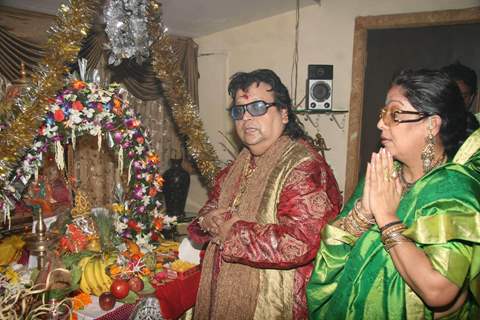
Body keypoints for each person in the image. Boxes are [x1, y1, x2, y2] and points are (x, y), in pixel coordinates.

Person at [306, 69, 480, 319]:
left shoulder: (453, 189)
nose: (380, 123)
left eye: (394, 114)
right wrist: (362, 215)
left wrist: (387, 217)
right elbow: (333, 250)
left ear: (431, 125)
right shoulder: (384, 174)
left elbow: (438, 290)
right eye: (383, 113)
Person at [188, 69, 342, 320]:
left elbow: (301, 241)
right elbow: (211, 206)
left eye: (258, 107)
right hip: (223, 288)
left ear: (283, 114)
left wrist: (234, 233)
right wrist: (208, 220)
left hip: (273, 300)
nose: (246, 117)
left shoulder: (303, 166)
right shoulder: (238, 165)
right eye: (239, 110)